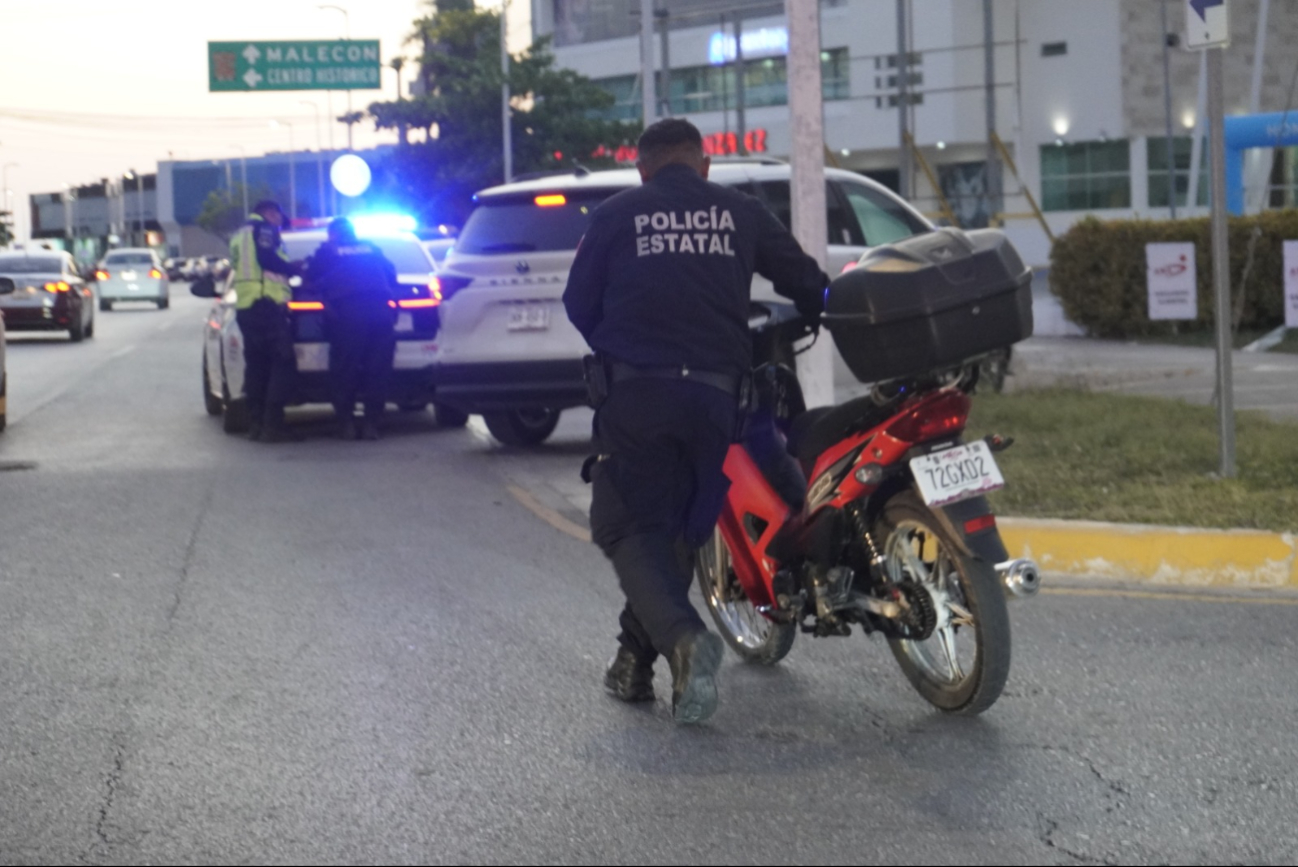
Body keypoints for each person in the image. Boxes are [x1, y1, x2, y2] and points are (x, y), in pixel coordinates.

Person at [563, 118, 829, 725]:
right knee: (682, 526)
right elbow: (807, 282)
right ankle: (634, 663)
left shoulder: (616, 214)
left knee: (625, 525)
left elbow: (579, 303)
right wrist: (823, 307)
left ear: (642, 170)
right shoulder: (740, 210)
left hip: (638, 395)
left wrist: (625, 344)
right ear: (704, 165)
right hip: (716, 398)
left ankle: (684, 640)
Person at [304, 218, 400, 440]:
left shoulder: (327, 251)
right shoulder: (371, 248)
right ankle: (371, 424)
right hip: (380, 314)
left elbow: (310, 282)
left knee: (344, 369)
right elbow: (391, 275)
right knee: (377, 370)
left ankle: (346, 422)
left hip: (348, 316)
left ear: (333, 234)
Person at [229, 199, 305, 443]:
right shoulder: (263, 229)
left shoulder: (239, 234)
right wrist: (294, 269)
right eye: (279, 217)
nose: (280, 223)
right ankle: (273, 425)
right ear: (269, 213)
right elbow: (267, 259)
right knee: (283, 362)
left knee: (257, 366)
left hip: (246, 307)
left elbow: (238, 265)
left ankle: (256, 424)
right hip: (266, 304)